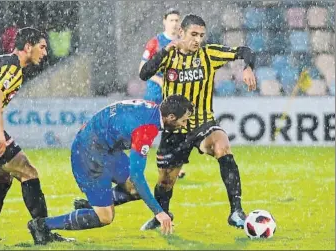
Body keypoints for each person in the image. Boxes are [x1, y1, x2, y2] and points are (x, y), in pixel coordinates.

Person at [138, 14, 257, 231]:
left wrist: (247, 67)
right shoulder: (168, 56)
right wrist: (164, 51)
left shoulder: (208, 53)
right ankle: (161, 215)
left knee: (222, 146)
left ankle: (236, 210)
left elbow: (244, 51)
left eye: (201, 35)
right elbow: (144, 74)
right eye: (193, 34)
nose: (197, 40)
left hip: (203, 122)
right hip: (174, 127)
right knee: (165, 180)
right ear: (181, 33)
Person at [0, 27, 71, 243]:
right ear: (28, 47)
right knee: (28, 172)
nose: (45, 53)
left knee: (4, 177)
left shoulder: (1, 60)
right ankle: (43, 232)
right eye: (42, 47)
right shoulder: (15, 66)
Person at [27, 95, 194, 245]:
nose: (184, 125)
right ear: (171, 117)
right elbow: (137, 176)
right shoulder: (147, 129)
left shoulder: (152, 108)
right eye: (184, 121)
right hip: (89, 153)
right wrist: (160, 212)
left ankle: (89, 205)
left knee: (134, 190)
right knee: (105, 217)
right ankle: (42, 225)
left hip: (105, 148)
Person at [139, 8, 187, 179]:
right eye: (172, 20)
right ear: (164, 21)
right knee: (147, 132)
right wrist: (160, 81)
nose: (175, 24)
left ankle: (174, 166)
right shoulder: (155, 42)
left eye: (177, 20)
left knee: (175, 132)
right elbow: (142, 69)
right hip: (155, 95)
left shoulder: (183, 42)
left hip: (173, 97)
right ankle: (136, 166)